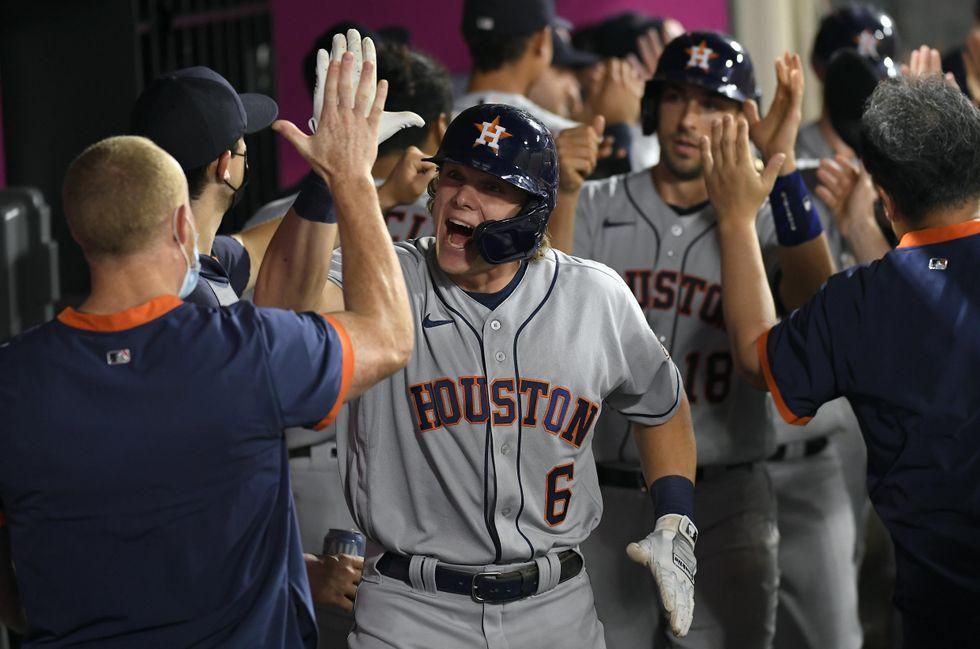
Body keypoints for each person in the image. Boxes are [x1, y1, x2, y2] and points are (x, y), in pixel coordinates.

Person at [0, 47, 414, 645]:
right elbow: (390, 337)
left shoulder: (13, 380)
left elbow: (13, 598)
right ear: (177, 225)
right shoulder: (244, 355)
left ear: (78, 230)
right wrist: (350, 175)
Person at [258, 100, 698, 647]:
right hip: (409, 610)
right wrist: (330, 178)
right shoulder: (383, 277)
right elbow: (279, 313)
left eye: (493, 185)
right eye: (454, 177)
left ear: (534, 211)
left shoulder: (594, 296)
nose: (462, 197)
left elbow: (662, 404)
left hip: (555, 607)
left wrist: (675, 518)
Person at [556, 31, 835, 648]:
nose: (689, 119)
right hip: (605, 497)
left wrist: (782, 167)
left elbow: (818, 298)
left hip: (726, 495)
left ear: (744, 119)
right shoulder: (596, 202)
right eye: (677, 97)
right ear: (655, 105)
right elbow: (547, 319)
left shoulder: (761, 218)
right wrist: (565, 194)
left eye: (712, 103)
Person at [704, 72, 980, 649]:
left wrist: (735, 220)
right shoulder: (874, 296)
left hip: (945, 611)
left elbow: (760, 360)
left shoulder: (860, 301)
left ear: (886, 196)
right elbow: (933, 288)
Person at [130, 66, 283, 306]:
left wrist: (338, 180)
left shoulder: (178, 259)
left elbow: (262, 248)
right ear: (224, 166)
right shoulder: (201, 308)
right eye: (243, 146)